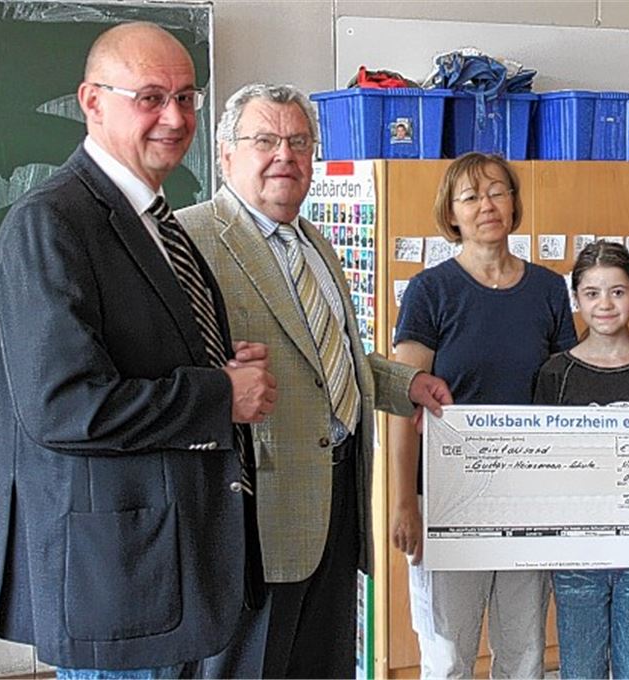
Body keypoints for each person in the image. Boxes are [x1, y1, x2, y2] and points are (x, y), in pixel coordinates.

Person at [0, 22, 277, 677]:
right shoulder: (50, 222)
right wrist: (220, 395)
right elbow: (63, 407)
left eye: (187, 98)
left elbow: (137, 350)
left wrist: (220, 361)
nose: (176, 117)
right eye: (150, 98)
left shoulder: (159, 222)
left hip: (181, 566)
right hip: (121, 581)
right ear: (92, 101)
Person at [176, 83, 452, 678]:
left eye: (299, 142)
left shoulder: (313, 241)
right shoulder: (189, 239)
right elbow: (168, 370)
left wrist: (404, 384)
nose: (286, 155)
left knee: (322, 665)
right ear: (226, 154)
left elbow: (328, 360)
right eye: (266, 140)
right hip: (255, 514)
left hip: (337, 492)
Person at [391, 152, 578, 678]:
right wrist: (404, 501)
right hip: (448, 496)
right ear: (451, 213)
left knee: (524, 650)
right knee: (449, 654)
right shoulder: (430, 291)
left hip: (527, 494)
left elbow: (566, 391)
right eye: (470, 197)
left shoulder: (548, 289)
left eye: (497, 192)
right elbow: (403, 399)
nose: (486, 205)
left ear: (514, 202)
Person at [533, 241, 629, 680]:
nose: (604, 304)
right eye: (592, 293)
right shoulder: (555, 373)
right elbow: (540, 462)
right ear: (576, 299)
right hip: (577, 549)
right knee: (581, 669)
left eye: (617, 292)